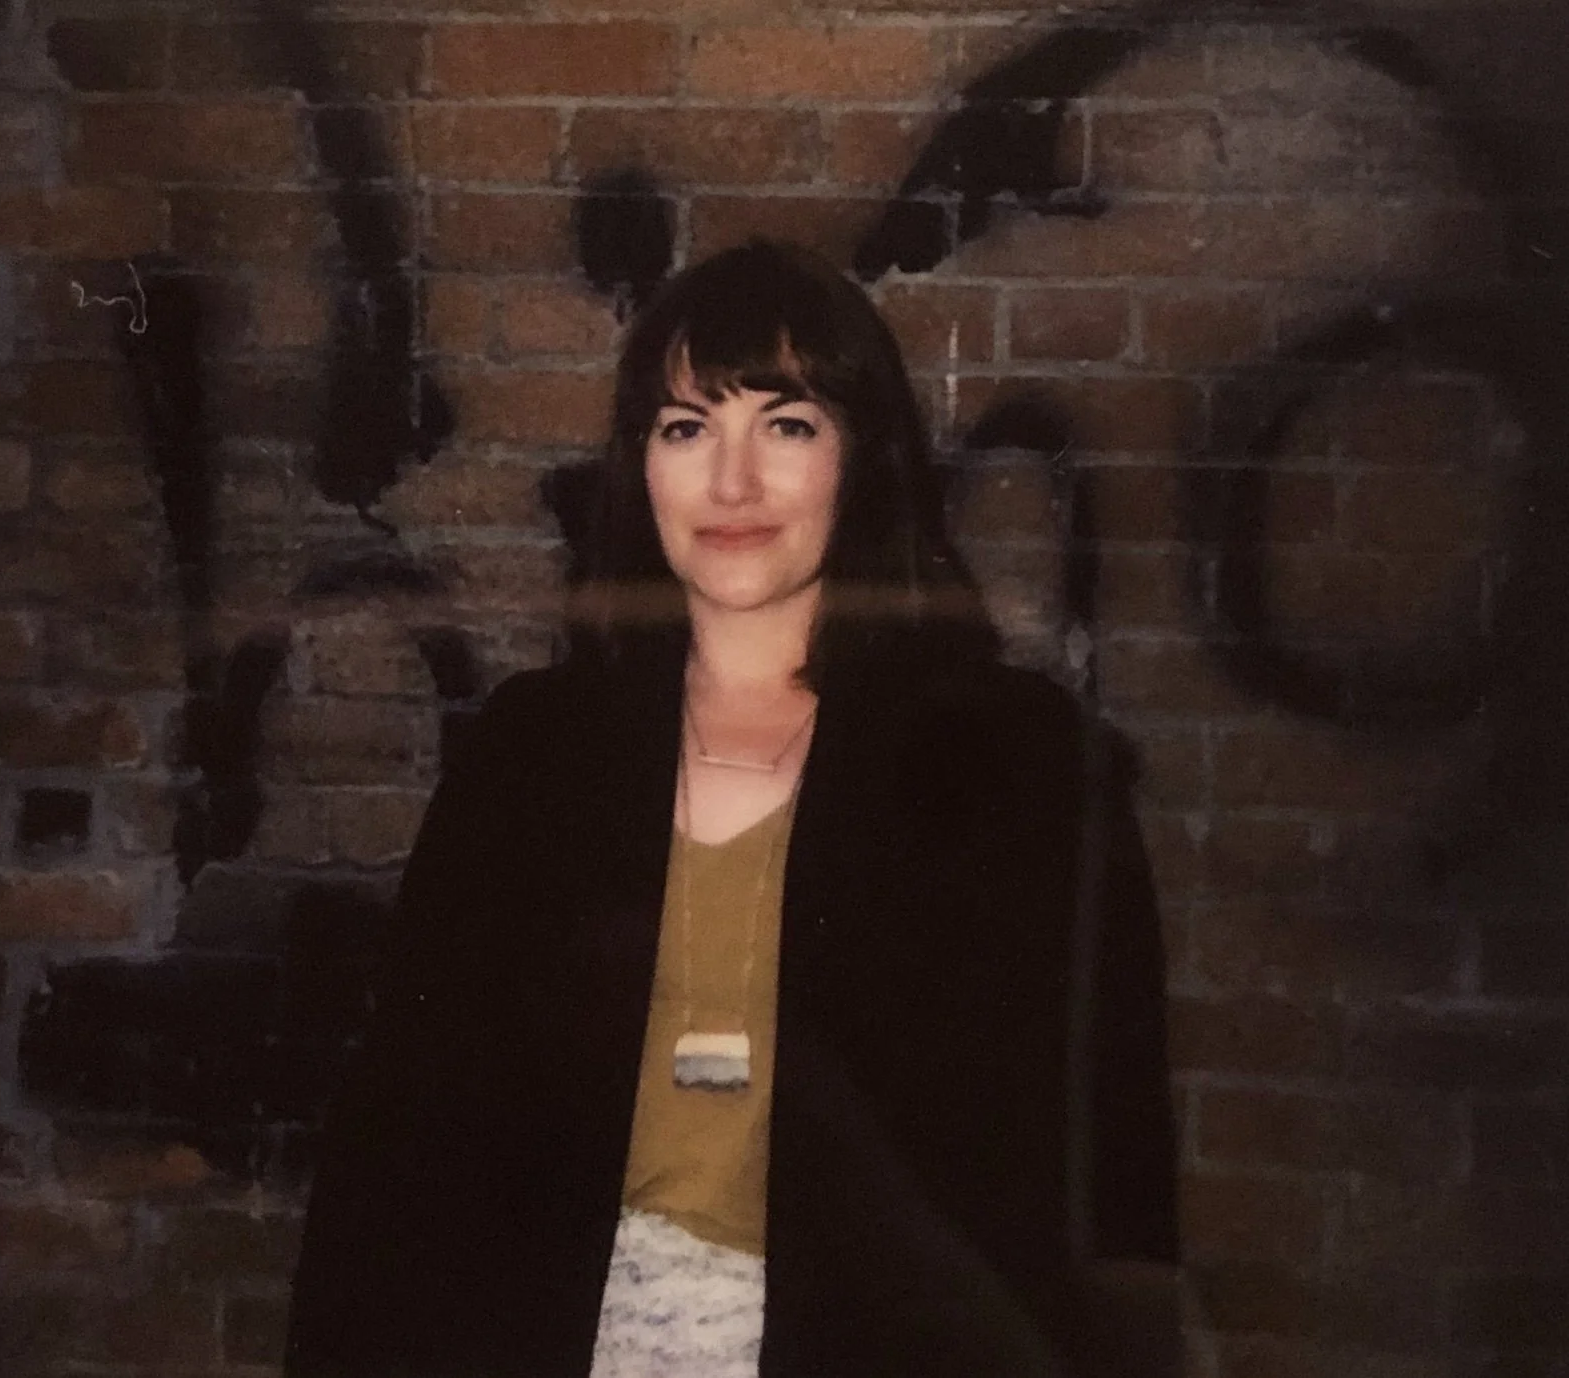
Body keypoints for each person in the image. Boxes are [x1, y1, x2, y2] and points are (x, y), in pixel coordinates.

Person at [283, 239, 1177, 1378]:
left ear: (860, 457)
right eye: (686, 427)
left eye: (786, 424)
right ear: (638, 465)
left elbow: (1115, 1174)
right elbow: (394, 1140)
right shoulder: (535, 753)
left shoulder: (1015, 765)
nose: (732, 482)